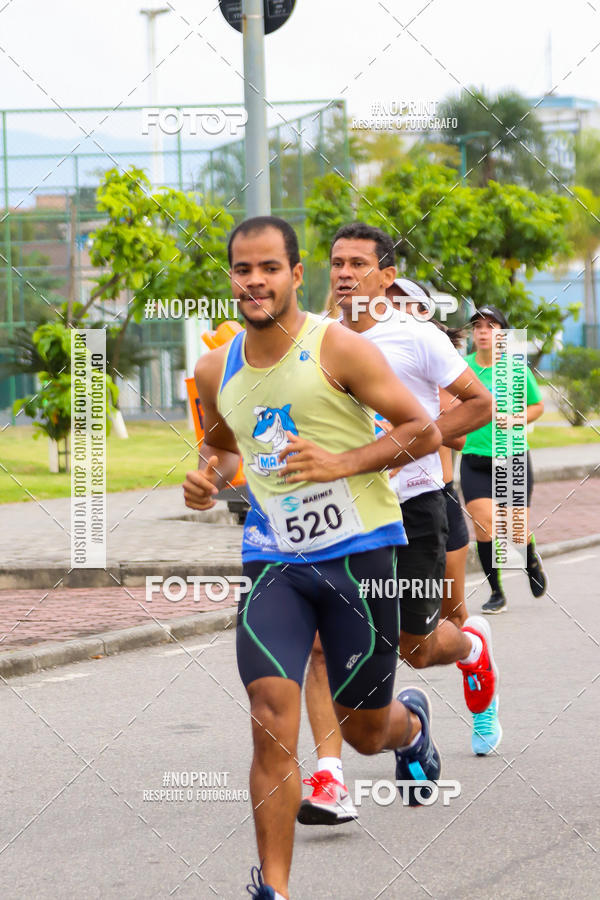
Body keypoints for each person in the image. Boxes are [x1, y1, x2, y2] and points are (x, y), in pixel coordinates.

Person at [183, 216, 444, 900]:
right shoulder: (215, 368)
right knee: (271, 715)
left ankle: (410, 726)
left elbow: (421, 428)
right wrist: (207, 478)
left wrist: (341, 463)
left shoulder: (339, 348)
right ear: (231, 278)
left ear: (296, 275)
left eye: (270, 268)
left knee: (364, 732)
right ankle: (274, 889)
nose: (255, 281)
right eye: (243, 269)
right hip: (275, 560)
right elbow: (224, 447)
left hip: (361, 555)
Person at [299, 227, 501, 829]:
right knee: (319, 646)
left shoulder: (416, 336)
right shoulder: (313, 336)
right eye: (337, 262)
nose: (344, 273)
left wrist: (407, 445)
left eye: (358, 263)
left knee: (417, 648)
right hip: (340, 512)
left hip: (413, 508)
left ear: (387, 276)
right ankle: (329, 779)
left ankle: (471, 648)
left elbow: (479, 404)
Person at [461, 306, 547, 614]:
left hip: (512, 458)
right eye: (478, 327)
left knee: (514, 529)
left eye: (491, 326)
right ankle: (496, 592)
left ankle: (530, 561)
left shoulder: (516, 369)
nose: (483, 332)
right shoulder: (462, 369)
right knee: (484, 526)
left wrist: (515, 419)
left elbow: (537, 406)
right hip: (474, 459)